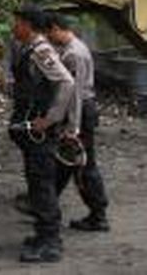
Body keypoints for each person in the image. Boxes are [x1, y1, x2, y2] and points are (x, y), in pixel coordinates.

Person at [9, 4, 74, 263]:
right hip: (30, 132)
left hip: (40, 135)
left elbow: (66, 82)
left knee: (42, 185)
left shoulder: (41, 50)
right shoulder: (29, 49)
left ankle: (50, 243)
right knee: (36, 184)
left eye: (17, 22)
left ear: (27, 24)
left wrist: (50, 119)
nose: (13, 27)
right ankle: (42, 234)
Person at [45, 13, 110, 231]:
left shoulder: (74, 54)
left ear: (56, 28)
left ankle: (98, 214)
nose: (48, 37)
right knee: (65, 162)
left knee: (83, 165)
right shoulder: (71, 49)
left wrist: (73, 127)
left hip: (81, 111)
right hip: (80, 110)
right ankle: (46, 204)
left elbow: (74, 94)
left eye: (49, 32)